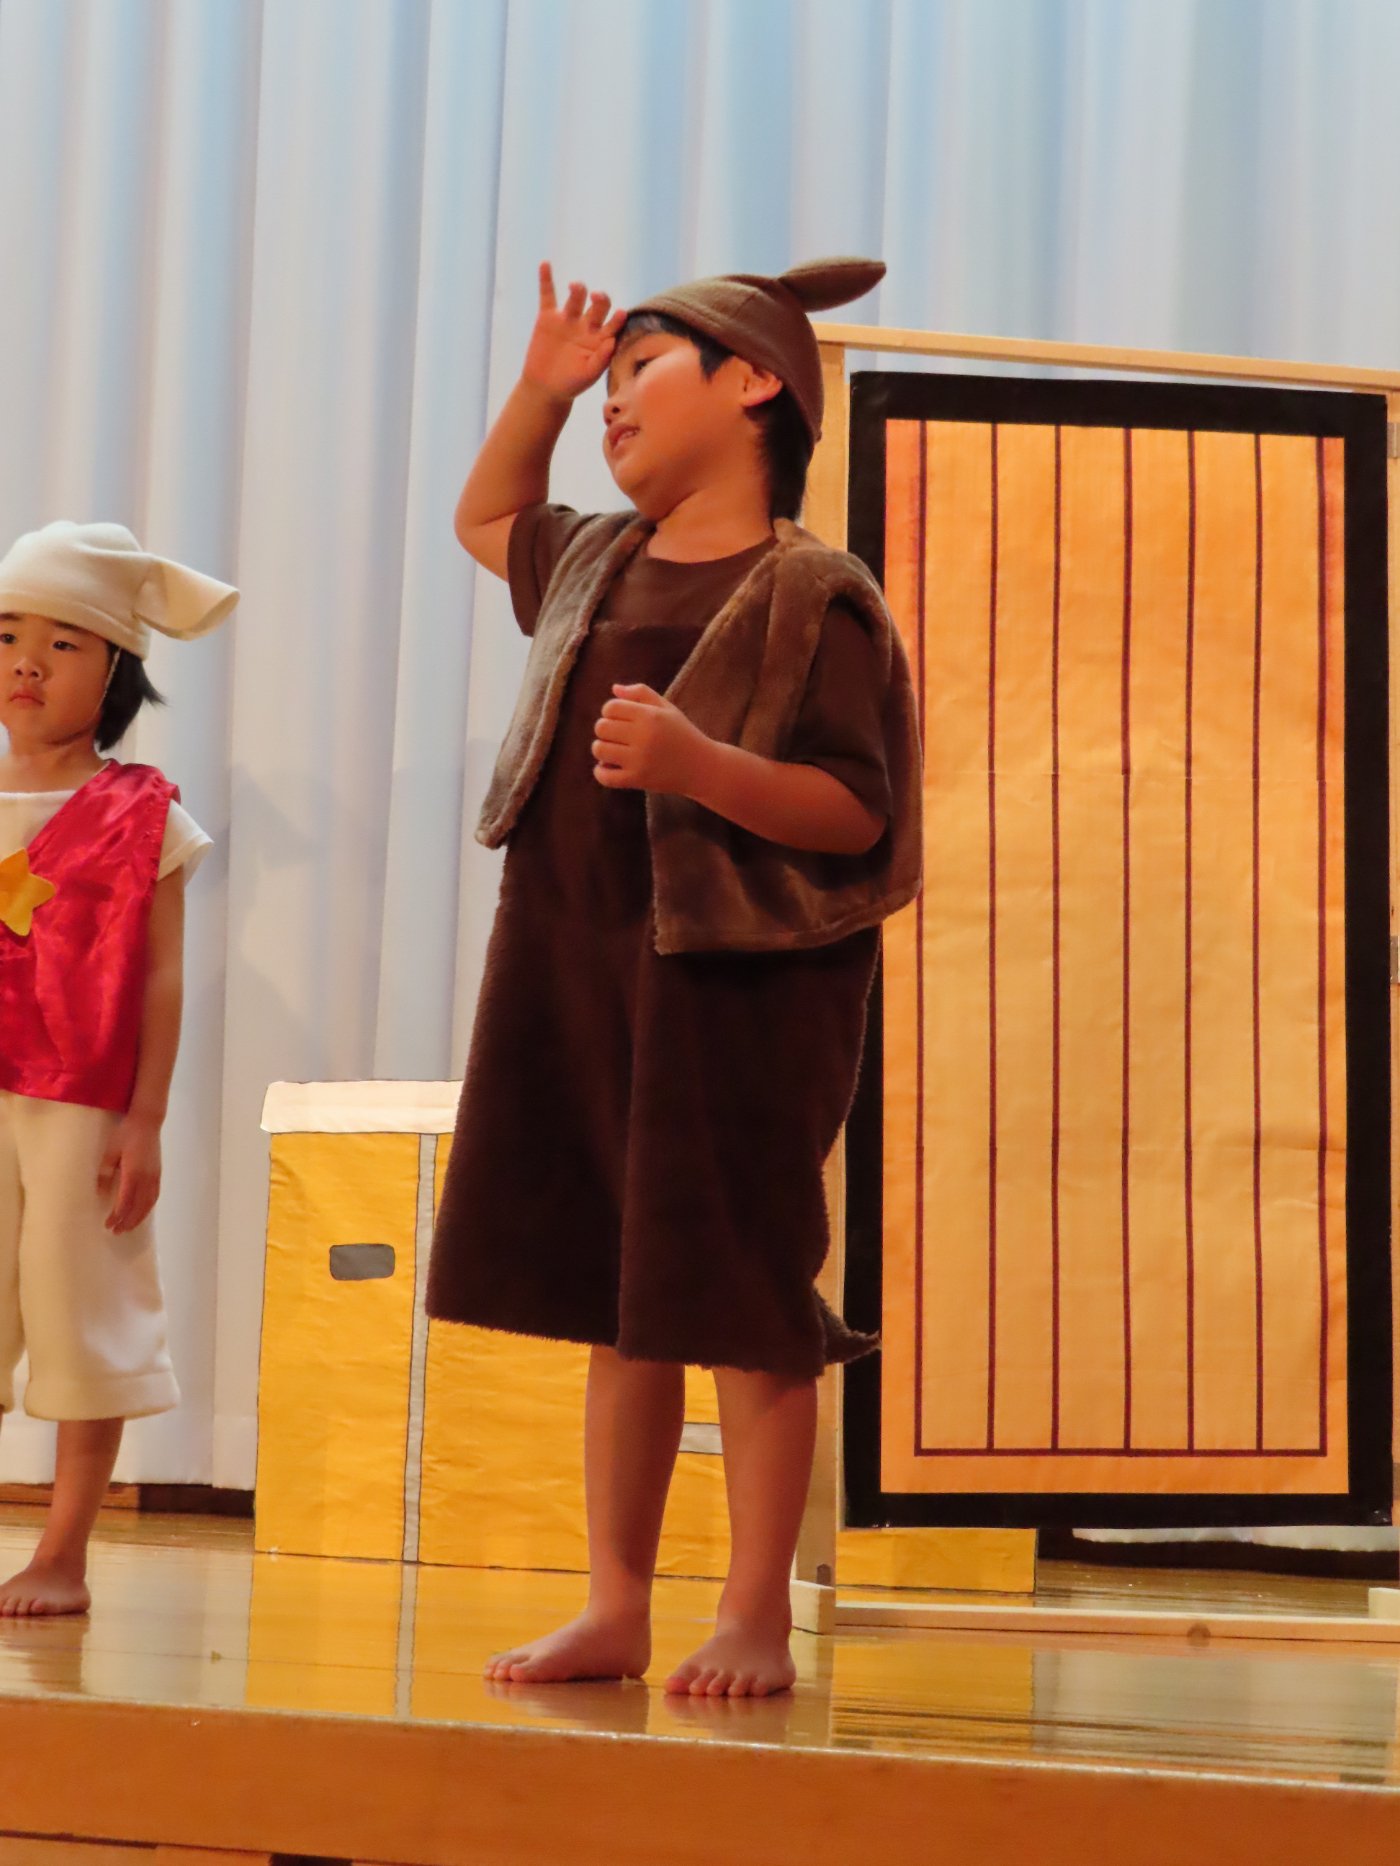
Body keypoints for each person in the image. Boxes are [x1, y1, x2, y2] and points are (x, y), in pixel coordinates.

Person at [427, 258, 921, 1696]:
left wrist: (700, 766)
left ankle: (755, 1607)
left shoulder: (810, 591)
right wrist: (541, 389)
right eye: (606, 385)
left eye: (641, 369)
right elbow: (485, 518)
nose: (612, 402)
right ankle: (617, 1603)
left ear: (755, 381)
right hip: (574, 958)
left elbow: (856, 809)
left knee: (741, 1299)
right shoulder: (593, 559)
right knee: (620, 1298)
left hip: (734, 990)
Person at [0, 520, 237, 1615]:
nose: (27, 664)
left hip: (80, 1099)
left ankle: (64, 1550)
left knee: (80, 1305)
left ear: (117, 671)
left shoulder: (144, 814)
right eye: (8, 637)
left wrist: (145, 1119)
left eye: (64, 643)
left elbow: (158, 977)